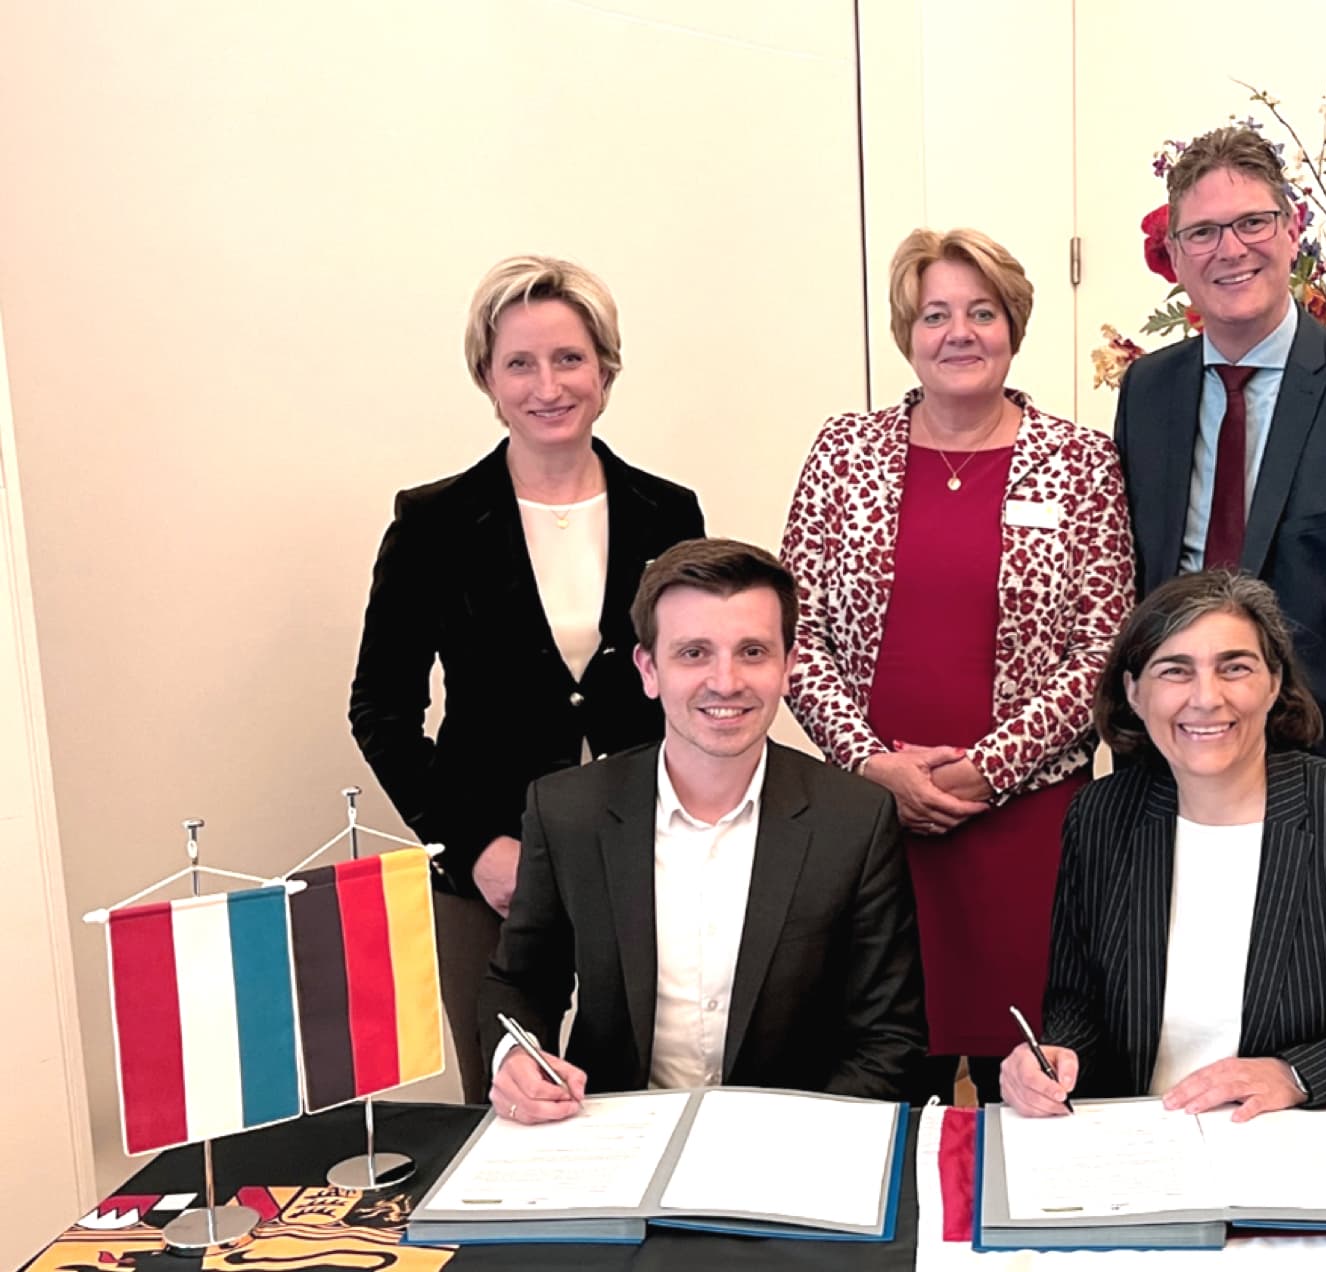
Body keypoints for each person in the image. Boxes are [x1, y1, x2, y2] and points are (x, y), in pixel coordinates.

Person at [781, 227, 1135, 1105]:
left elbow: (1105, 647)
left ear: (1014, 325)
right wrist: (870, 767)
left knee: (1040, 1085)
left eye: (982, 312)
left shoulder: (1081, 460)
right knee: (888, 1073)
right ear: (908, 333)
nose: (960, 332)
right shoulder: (843, 453)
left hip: (1031, 832)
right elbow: (792, 632)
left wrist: (987, 770)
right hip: (874, 828)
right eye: (935, 314)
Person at [349, 255, 704, 1101]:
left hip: (647, 849)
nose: (548, 385)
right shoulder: (433, 522)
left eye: (570, 359)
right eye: (520, 363)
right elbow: (382, 709)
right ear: (487, 377)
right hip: (489, 869)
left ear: (607, 370)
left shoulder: (669, 512)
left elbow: (694, 677)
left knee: (646, 1088)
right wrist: (471, 849)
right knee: (510, 1104)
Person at [482, 539, 927, 1122]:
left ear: (788, 667)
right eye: (694, 653)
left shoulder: (855, 819)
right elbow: (521, 982)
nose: (726, 681)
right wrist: (515, 1053)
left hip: (789, 1140)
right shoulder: (569, 811)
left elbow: (890, 1036)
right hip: (613, 1133)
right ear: (649, 670)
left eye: (753, 652)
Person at [1113, 126, 1326, 826]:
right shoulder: (1147, 392)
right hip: (1170, 774)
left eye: (1252, 223)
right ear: (1175, 256)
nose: (1231, 249)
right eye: (1203, 232)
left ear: (1292, 229)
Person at [999, 571, 1326, 1121]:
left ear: (1274, 684)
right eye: (1175, 671)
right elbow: (1077, 1001)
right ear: (1133, 692)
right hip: (1140, 1141)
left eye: (1235, 668)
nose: (1207, 698)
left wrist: (1298, 1074)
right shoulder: (1100, 815)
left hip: (1307, 1139)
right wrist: (1053, 1059)